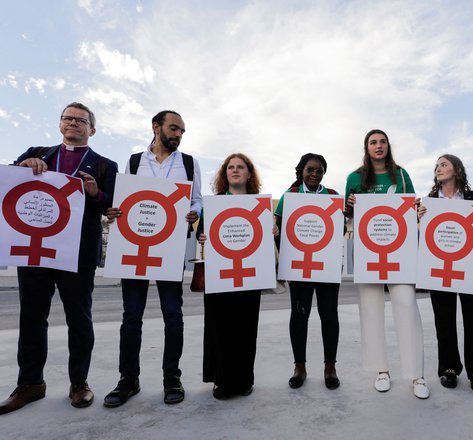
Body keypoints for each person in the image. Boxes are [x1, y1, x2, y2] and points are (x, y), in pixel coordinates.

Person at [0, 102, 118, 415]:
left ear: (92, 129)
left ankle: (79, 383)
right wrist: (24, 165)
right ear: (59, 124)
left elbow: (111, 206)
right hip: (35, 249)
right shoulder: (36, 152)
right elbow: (11, 182)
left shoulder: (106, 165)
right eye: (68, 118)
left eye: (81, 120)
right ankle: (30, 384)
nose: (73, 123)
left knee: (79, 319)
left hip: (78, 254)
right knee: (31, 317)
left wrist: (95, 194)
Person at [103, 110, 202, 407]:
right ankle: (128, 379)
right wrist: (114, 210)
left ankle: (172, 377)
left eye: (182, 131)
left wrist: (194, 211)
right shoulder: (134, 162)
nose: (179, 134)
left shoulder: (188, 162)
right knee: (131, 316)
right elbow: (124, 201)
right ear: (156, 127)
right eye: (174, 128)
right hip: (135, 249)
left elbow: (196, 197)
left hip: (169, 249)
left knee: (173, 315)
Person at [345, 129, 429, 399]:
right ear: (366, 147)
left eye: (382, 142)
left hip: (400, 251)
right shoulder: (354, 178)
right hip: (369, 251)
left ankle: (417, 374)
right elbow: (347, 216)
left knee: (406, 304)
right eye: (373, 142)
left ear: (388, 146)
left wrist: (420, 209)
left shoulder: (402, 175)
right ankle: (382, 370)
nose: (378, 146)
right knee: (370, 309)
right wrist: (349, 206)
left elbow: (412, 208)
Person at [197, 153, 271, 399]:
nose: (235, 170)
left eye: (241, 167)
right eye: (231, 167)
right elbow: (202, 234)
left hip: (249, 276)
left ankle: (244, 380)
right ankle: (221, 380)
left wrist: (273, 230)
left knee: (246, 328)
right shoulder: (214, 203)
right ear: (224, 173)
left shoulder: (259, 205)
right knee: (219, 328)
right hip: (219, 275)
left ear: (249, 173)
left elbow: (264, 239)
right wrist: (203, 237)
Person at [418, 154, 473, 393]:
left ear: (457, 170)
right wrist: (417, 219)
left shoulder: (472, 198)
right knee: (444, 321)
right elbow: (422, 234)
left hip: (468, 268)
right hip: (440, 268)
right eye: (436, 165)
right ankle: (448, 369)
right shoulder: (429, 201)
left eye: (444, 164)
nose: (438, 168)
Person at [274, 153, 341, 390]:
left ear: (324, 173)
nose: (314, 174)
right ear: (301, 170)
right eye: (310, 169)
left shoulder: (333, 197)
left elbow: (340, 228)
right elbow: (277, 228)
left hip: (327, 268)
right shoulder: (290, 196)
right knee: (299, 317)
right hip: (299, 268)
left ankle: (330, 368)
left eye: (319, 170)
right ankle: (299, 367)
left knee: (329, 316)